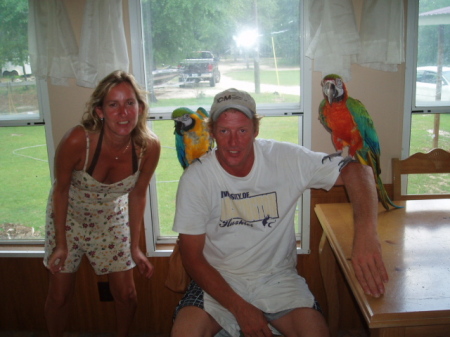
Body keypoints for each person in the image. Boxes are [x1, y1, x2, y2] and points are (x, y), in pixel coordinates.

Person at [171, 88, 389, 337]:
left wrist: (366, 236)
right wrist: (241, 309)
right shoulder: (196, 177)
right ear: (212, 133)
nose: (233, 142)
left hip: (277, 278)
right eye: (224, 131)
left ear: (255, 130)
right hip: (218, 278)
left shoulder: (286, 158)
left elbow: (359, 172)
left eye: (242, 130)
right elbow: (192, 258)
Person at [43, 70, 161, 337]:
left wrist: (135, 248)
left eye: (129, 103)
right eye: (113, 104)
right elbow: (60, 190)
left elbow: (138, 194)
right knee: (60, 295)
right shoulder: (78, 140)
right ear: (100, 111)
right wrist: (61, 244)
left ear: (140, 108)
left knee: (128, 294)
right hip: (68, 218)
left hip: (111, 219)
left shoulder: (148, 147)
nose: (123, 113)